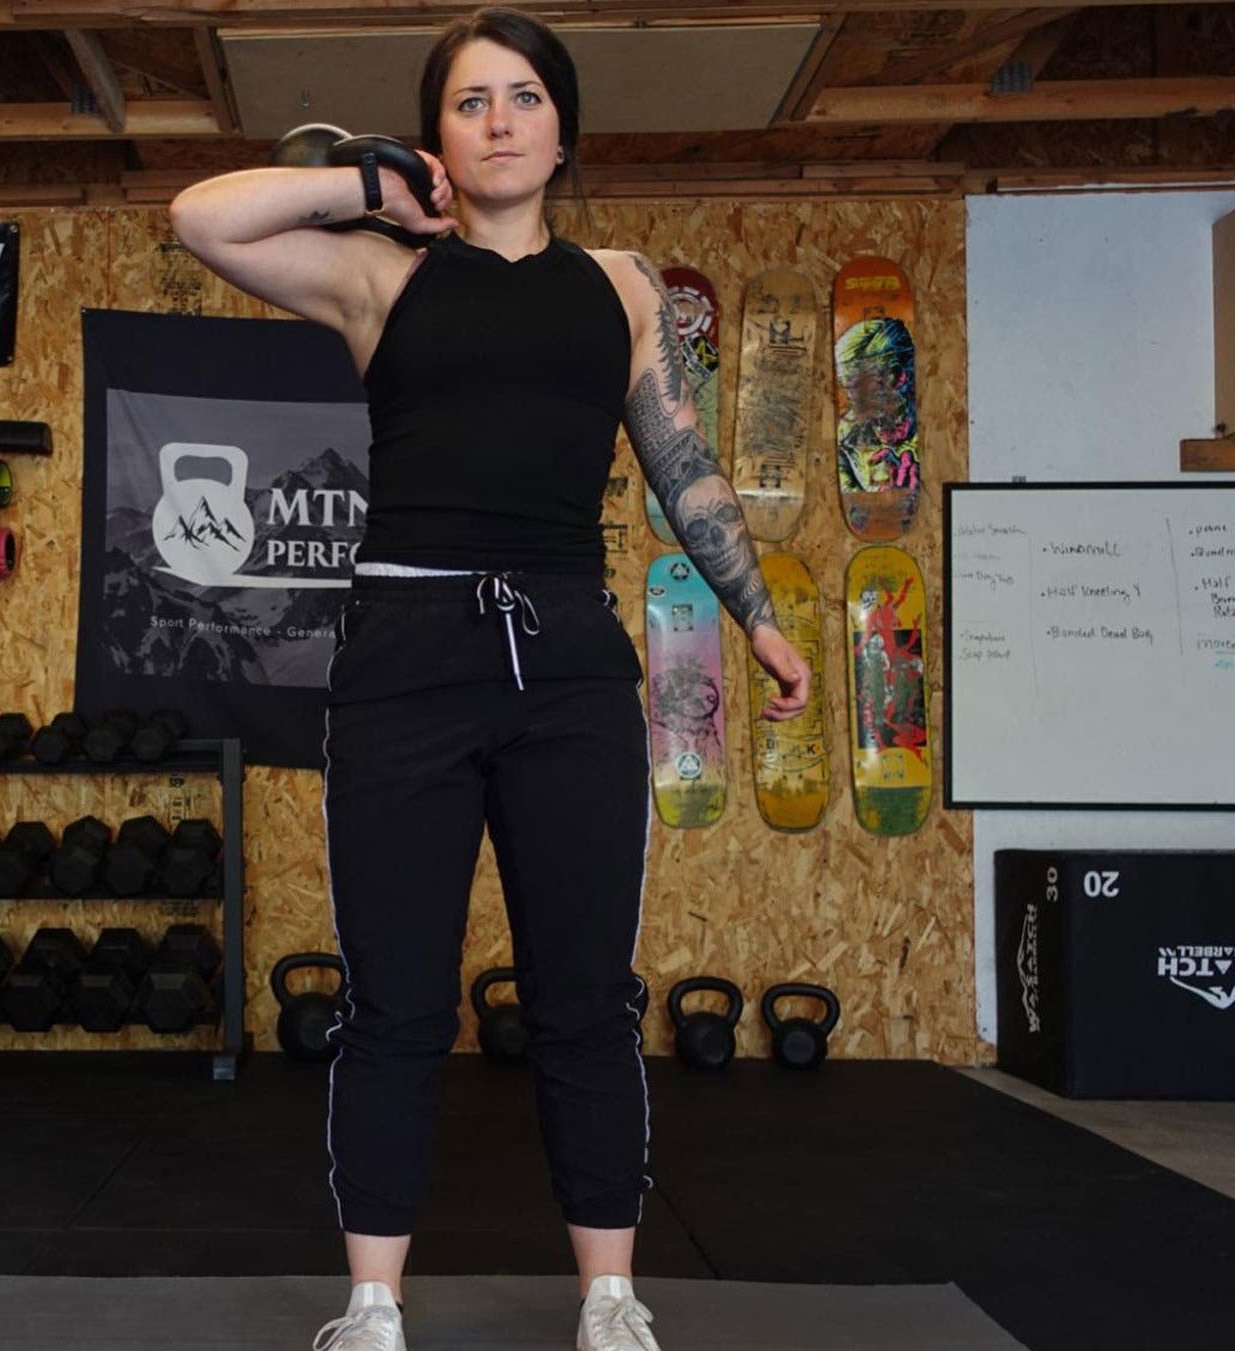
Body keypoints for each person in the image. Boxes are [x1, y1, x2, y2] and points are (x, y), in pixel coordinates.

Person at [168, 9, 813, 1349]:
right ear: (440, 139)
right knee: (396, 999)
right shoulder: (379, 273)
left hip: (568, 661)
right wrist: (365, 180)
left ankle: (611, 1299)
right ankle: (372, 1308)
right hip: (407, 660)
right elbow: (202, 217)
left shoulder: (626, 289)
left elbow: (680, 462)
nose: (502, 118)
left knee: (585, 995)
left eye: (525, 96)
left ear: (563, 128)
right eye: (471, 102)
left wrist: (756, 614)